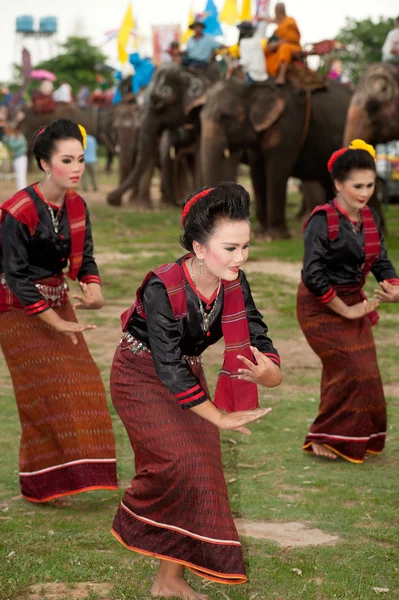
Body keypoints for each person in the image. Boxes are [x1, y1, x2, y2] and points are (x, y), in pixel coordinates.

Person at [110, 182, 282, 599]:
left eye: (245, 247)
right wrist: (219, 417)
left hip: (186, 376)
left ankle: (167, 579)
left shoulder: (234, 283)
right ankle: (138, 523)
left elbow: (260, 338)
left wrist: (269, 374)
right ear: (199, 248)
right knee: (179, 462)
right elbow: (167, 368)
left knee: (201, 468)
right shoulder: (162, 287)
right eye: (230, 248)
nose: (240, 258)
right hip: (138, 374)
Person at [0, 119, 118, 503]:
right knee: (42, 396)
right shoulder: (17, 211)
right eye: (67, 160)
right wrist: (58, 323)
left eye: (80, 159)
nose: (77, 168)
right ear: (44, 163)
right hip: (17, 309)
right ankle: (41, 484)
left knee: (84, 385)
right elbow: (15, 277)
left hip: (58, 302)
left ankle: (61, 479)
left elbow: (85, 262)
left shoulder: (76, 204)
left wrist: (95, 291)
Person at [297, 139, 399, 464]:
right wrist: (348, 309)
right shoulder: (321, 220)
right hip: (319, 305)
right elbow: (313, 276)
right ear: (338, 184)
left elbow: (380, 259)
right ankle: (322, 437)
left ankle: (348, 437)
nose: (365, 192)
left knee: (364, 372)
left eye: (370, 185)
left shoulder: (368, 218)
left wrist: (394, 286)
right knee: (351, 368)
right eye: (357, 185)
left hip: (355, 302)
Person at [265, 2, 302, 85]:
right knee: (266, 51)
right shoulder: (281, 24)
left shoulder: (290, 20)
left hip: (293, 46)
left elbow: (293, 38)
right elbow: (274, 21)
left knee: (284, 48)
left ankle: (281, 77)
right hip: (280, 47)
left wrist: (277, 44)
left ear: (277, 12)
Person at [2, 122, 28, 191]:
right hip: (16, 158)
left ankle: (23, 191)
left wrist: (9, 137)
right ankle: (20, 191)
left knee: (21, 176)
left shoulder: (20, 136)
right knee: (18, 177)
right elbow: (6, 142)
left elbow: (13, 145)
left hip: (21, 158)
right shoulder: (12, 137)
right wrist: (8, 136)